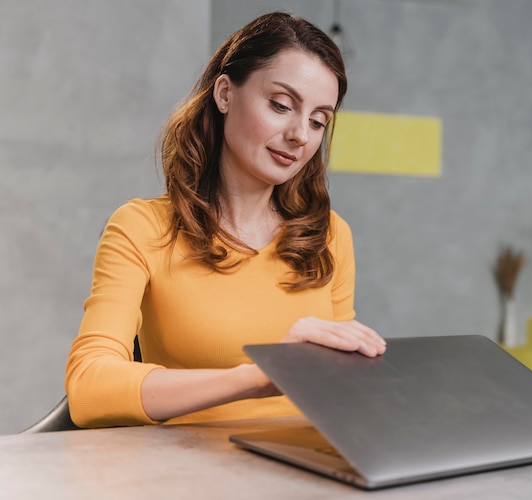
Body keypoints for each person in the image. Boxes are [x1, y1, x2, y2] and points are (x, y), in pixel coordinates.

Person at [65, 11, 386, 429]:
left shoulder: (328, 235)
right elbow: (89, 387)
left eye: (317, 120)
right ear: (224, 94)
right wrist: (258, 376)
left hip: (311, 468)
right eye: (281, 105)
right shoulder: (142, 228)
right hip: (192, 472)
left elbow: (341, 387)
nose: (300, 135)